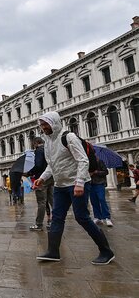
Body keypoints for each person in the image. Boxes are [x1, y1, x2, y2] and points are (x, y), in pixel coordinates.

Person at [33, 111, 114, 265]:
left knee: (82, 217)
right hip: (60, 185)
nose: (43, 127)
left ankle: (106, 251)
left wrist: (80, 182)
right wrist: (42, 178)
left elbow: (83, 160)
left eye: (46, 124)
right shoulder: (48, 141)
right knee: (57, 217)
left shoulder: (68, 137)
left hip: (76, 184)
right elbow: (52, 165)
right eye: (41, 125)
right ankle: (53, 252)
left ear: (54, 122)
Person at [27, 137, 54, 231]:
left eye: (33, 144)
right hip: (50, 177)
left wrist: (29, 173)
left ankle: (39, 224)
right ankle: (55, 221)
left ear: (36, 143)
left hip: (41, 178)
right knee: (52, 200)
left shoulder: (39, 151)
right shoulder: (48, 149)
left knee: (41, 202)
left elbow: (38, 165)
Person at [90, 158, 113, 227]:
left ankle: (107, 217)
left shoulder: (99, 161)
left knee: (102, 199)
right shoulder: (87, 162)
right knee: (93, 201)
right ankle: (97, 217)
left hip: (99, 183)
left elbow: (106, 172)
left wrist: (96, 172)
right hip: (91, 184)